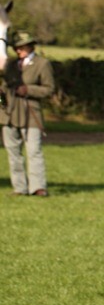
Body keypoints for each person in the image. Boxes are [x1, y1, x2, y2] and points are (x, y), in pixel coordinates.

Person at [2, 31, 56, 197]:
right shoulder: (10, 64)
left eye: (21, 47)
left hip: (31, 113)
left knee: (34, 151)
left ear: (30, 46)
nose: (18, 50)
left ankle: (38, 187)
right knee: (13, 153)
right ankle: (19, 187)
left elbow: (49, 89)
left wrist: (28, 90)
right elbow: (4, 86)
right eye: (16, 47)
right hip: (9, 113)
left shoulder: (42, 64)